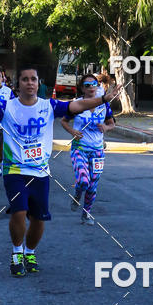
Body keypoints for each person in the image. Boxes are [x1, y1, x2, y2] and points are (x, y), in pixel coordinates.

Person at [0, 64, 121, 277]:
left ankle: (30, 252)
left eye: (33, 79)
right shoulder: (7, 107)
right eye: (25, 79)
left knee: (39, 219)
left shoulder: (49, 106)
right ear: (18, 85)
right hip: (15, 170)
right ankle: (16, 252)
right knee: (19, 211)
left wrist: (104, 99)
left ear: (38, 84)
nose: (30, 82)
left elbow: (78, 105)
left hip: (40, 172)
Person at [60, 73, 115, 224]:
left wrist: (106, 127)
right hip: (80, 148)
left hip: (97, 150)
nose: (91, 87)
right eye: (87, 85)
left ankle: (86, 213)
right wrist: (73, 132)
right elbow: (64, 122)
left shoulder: (104, 105)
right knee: (84, 180)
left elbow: (112, 124)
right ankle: (77, 194)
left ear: (98, 86)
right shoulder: (76, 104)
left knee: (93, 184)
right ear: (82, 88)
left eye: (94, 84)